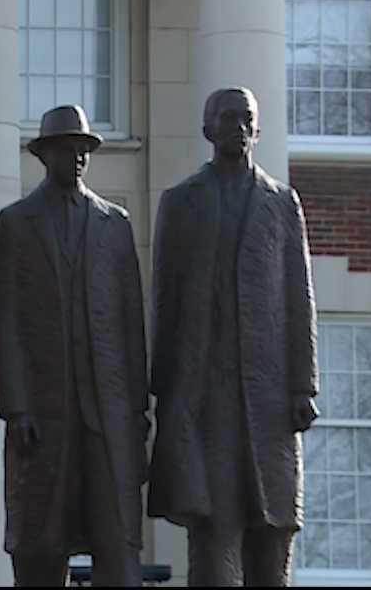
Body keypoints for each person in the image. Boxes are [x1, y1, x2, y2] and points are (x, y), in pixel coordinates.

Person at [147, 87, 319, 586]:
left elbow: (298, 297)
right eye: (228, 118)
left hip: (268, 401)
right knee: (214, 534)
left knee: (272, 535)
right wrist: (165, 393)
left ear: (258, 130)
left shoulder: (281, 203)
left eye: (247, 119)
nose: (239, 128)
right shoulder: (181, 203)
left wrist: (304, 386)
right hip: (206, 398)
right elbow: (165, 298)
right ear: (207, 129)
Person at [0, 105, 149, 586]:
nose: (77, 158)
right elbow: (5, 322)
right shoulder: (17, 223)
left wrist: (137, 412)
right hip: (44, 413)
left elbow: (130, 325)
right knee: (41, 545)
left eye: (84, 150)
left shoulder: (113, 224)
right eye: (67, 149)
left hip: (107, 415)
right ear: (46, 154)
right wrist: (16, 408)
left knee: (116, 541)